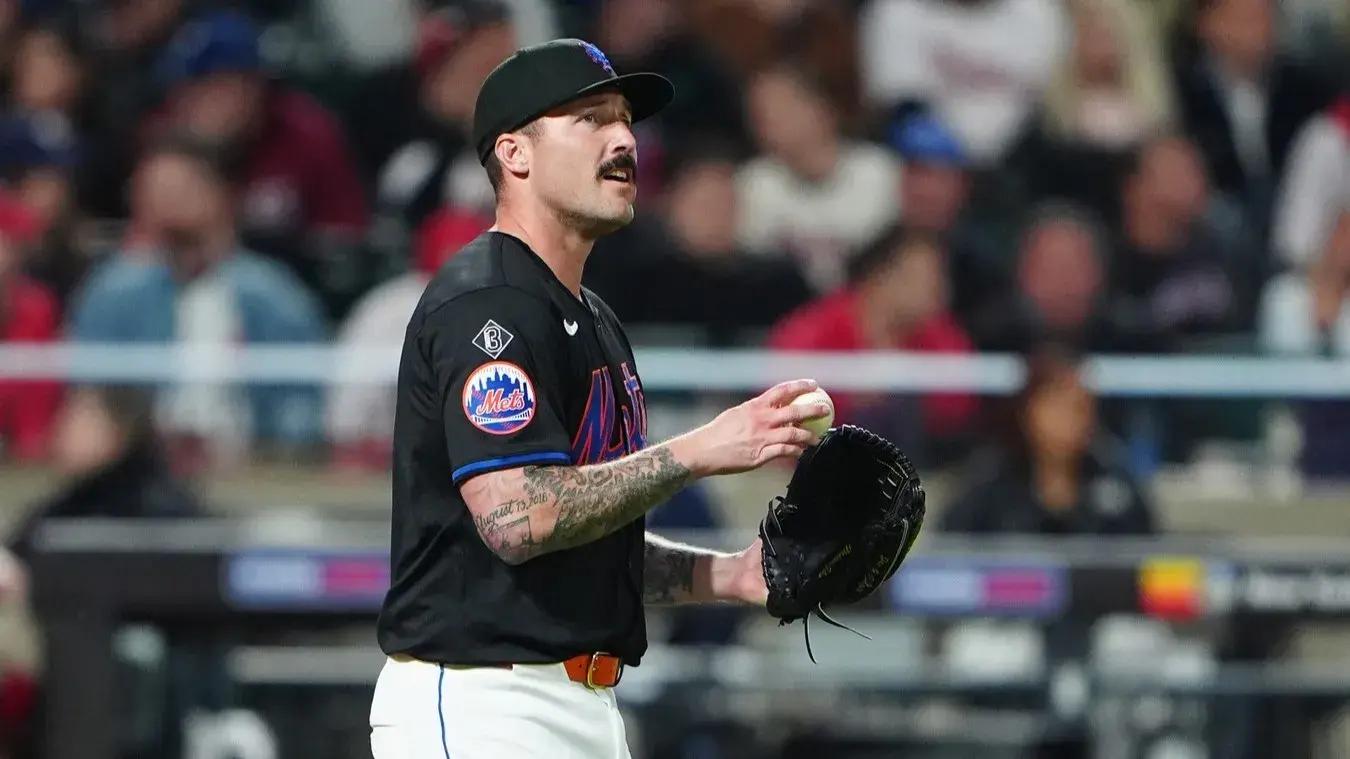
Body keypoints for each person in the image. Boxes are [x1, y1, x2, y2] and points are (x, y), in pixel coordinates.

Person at [370, 38, 830, 759]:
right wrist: (700, 450)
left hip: (578, 702)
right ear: (515, 154)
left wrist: (729, 575)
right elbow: (520, 515)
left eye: (625, 120)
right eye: (589, 119)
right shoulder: (487, 305)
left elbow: (583, 536)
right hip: (484, 698)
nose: (623, 139)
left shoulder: (594, 317)